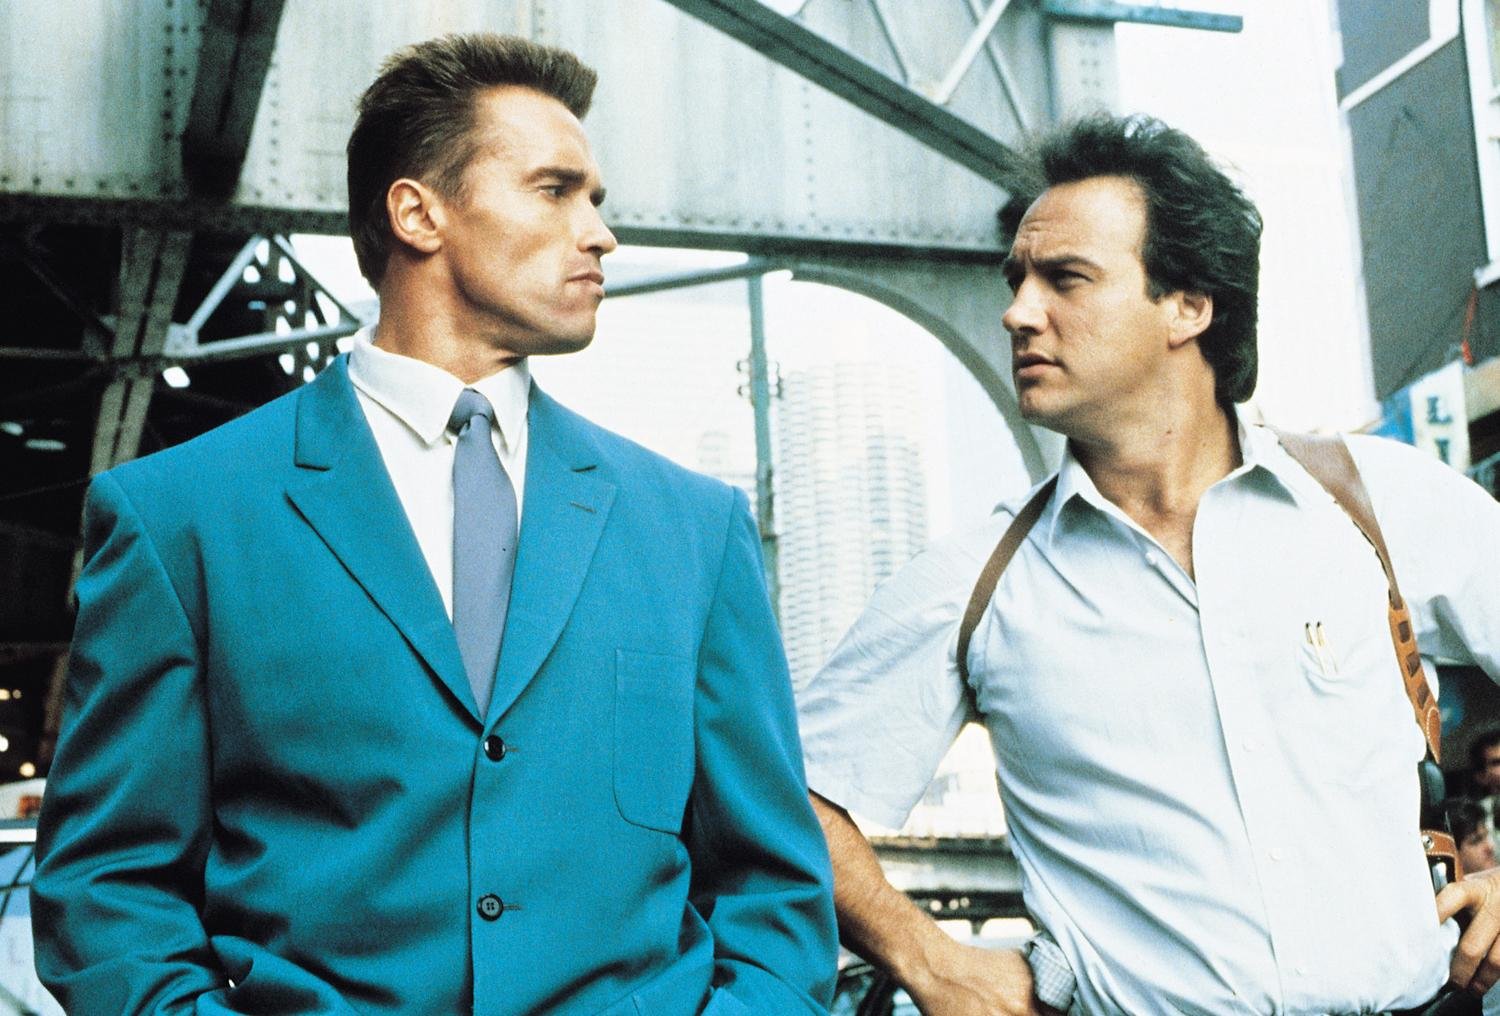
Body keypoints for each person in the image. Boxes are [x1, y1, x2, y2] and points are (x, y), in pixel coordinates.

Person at [32, 33, 836, 1016]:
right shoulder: (179, 518)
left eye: (597, 200)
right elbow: (106, 888)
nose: (600, 234)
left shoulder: (696, 531)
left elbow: (775, 889)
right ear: (418, 212)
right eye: (556, 190)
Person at [797, 113, 1500, 1015]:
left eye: (1066, 279)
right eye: (1017, 280)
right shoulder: (981, 581)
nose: (1018, 312)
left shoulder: (1376, 504)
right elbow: (785, 796)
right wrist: (931, 962)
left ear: (1189, 306)